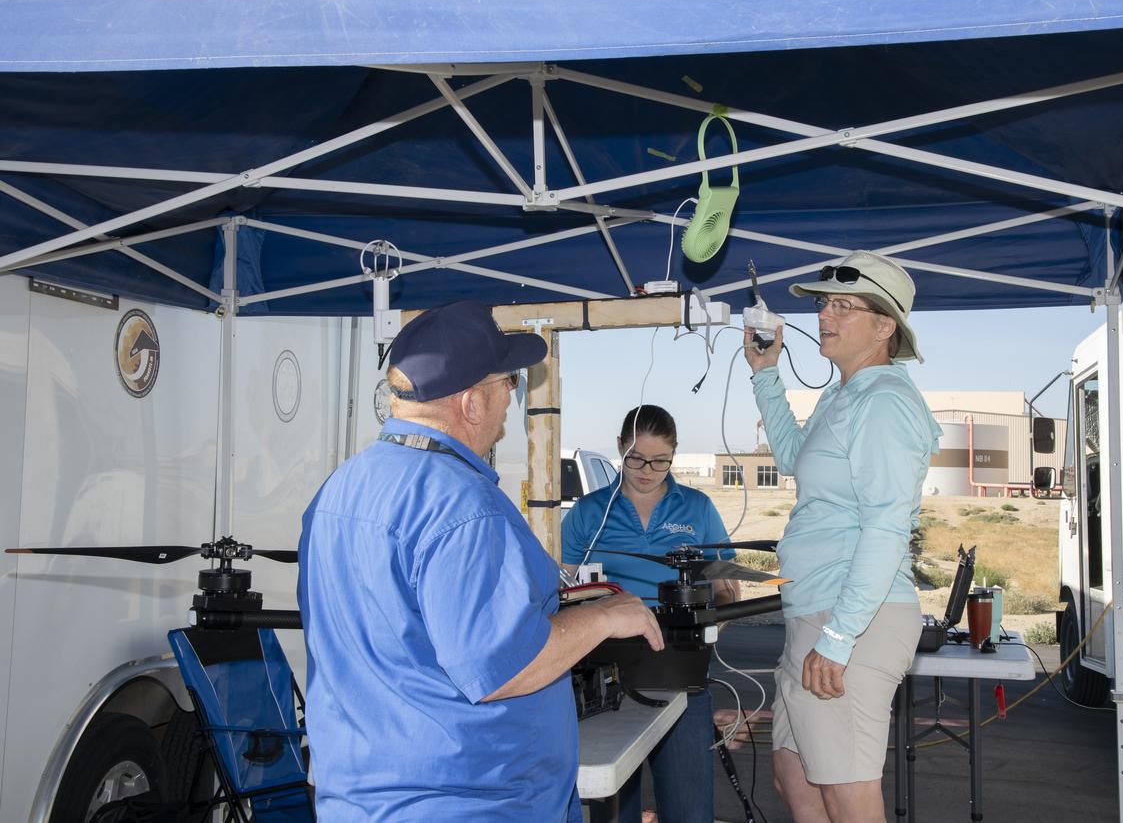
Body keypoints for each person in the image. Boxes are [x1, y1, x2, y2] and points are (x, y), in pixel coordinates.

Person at [298, 300, 663, 822]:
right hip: (468, 803)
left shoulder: (339, 491)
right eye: (508, 383)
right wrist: (604, 616)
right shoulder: (463, 507)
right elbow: (503, 667)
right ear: (471, 403)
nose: (513, 399)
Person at [743, 251, 942, 823]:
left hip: (852, 620)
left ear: (886, 328)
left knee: (847, 799)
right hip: (816, 612)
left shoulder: (883, 403)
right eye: (825, 302)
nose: (825, 314)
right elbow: (794, 458)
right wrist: (764, 373)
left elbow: (887, 526)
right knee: (797, 782)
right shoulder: (845, 394)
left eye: (844, 306)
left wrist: (838, 637)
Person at [561, 404, 738, 823]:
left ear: (674, 456)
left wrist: (716, 619)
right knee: (614, 803)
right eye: (636, 458)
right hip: (605, 673)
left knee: (689, 807)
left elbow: (727, 584)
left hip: (681, 672)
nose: (646, 470)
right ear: (620, 447)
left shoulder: (697, 507)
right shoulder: (589, 511)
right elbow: (563, 585)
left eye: (661, 461)